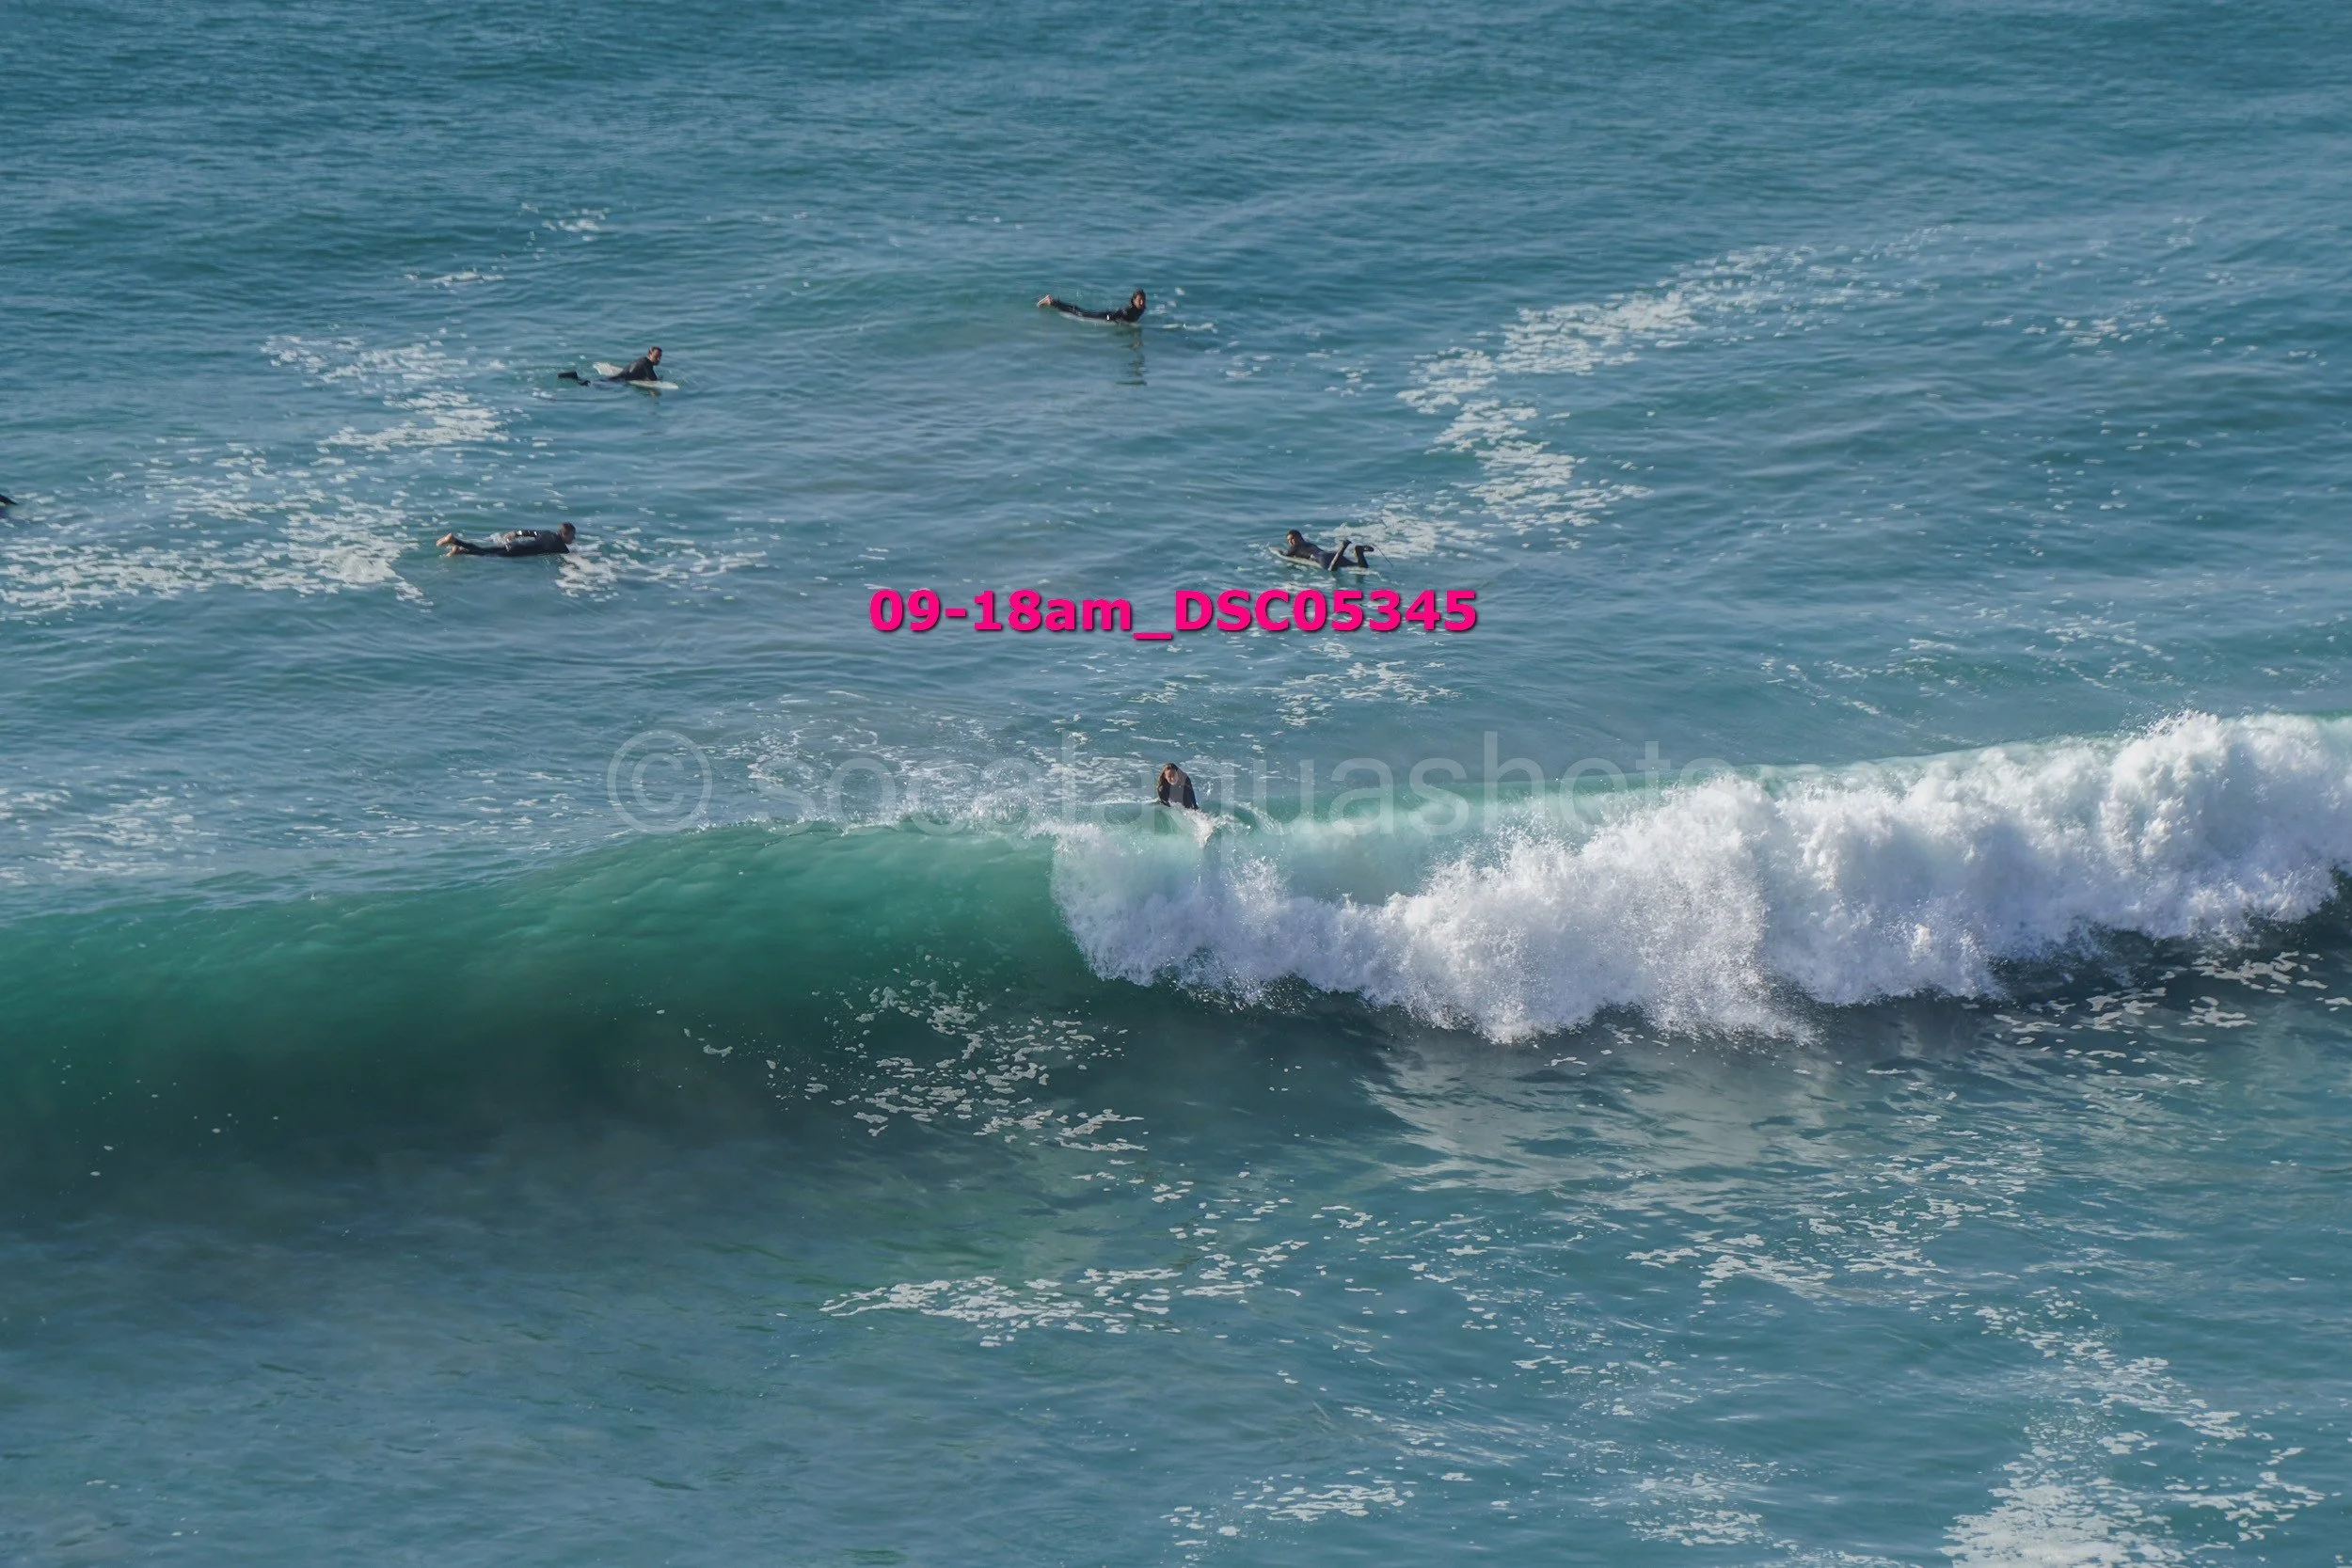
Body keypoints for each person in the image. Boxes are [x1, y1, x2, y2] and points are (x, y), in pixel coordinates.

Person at [437, 522, 575, 557]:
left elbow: (529, 532)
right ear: (565, 534)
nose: (573, 538)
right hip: (516, 552)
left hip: (516, 545)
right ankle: (455, 540)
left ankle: (460, 551)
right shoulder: (561, 548)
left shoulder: (547, 533)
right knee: (485, 554)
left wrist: (515, 533)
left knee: (487, 552)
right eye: (572, 535)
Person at [560, 347, 662, 385]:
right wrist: (660, 379)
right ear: (649, 355)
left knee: (593, 382)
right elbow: (653, 380)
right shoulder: (647, 364)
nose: (658, 359)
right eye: (656, 356)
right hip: (618, 381)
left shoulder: (641, 361)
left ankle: (574, 377)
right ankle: (574, 377)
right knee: (589, 384)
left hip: (618, 378)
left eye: (660, 357)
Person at [1039, 289, 1147, 325]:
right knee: (1079, 313)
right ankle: (1051, 302)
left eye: (1143, 300)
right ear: (1133, 300)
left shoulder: (1141, 309)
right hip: (1104, 316)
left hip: (1107, 314)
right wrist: (1108, 320)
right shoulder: (1128, 310)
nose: (1141, 302)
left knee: (1078, 310)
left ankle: (1052, 301)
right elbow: (1117, 314)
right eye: (1139, 300)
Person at [1281, 530, 1374, 570]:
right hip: (1331, 554)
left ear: (1299, 537)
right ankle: (1359, 552)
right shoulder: (1309, 543)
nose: (1291, 542)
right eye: (1289, 541)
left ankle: (1343, 547)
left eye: (1292, 539)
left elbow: (1285, 555)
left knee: (1332, 570)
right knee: (1359, 566)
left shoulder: (1295, 546)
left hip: (1322, 558)